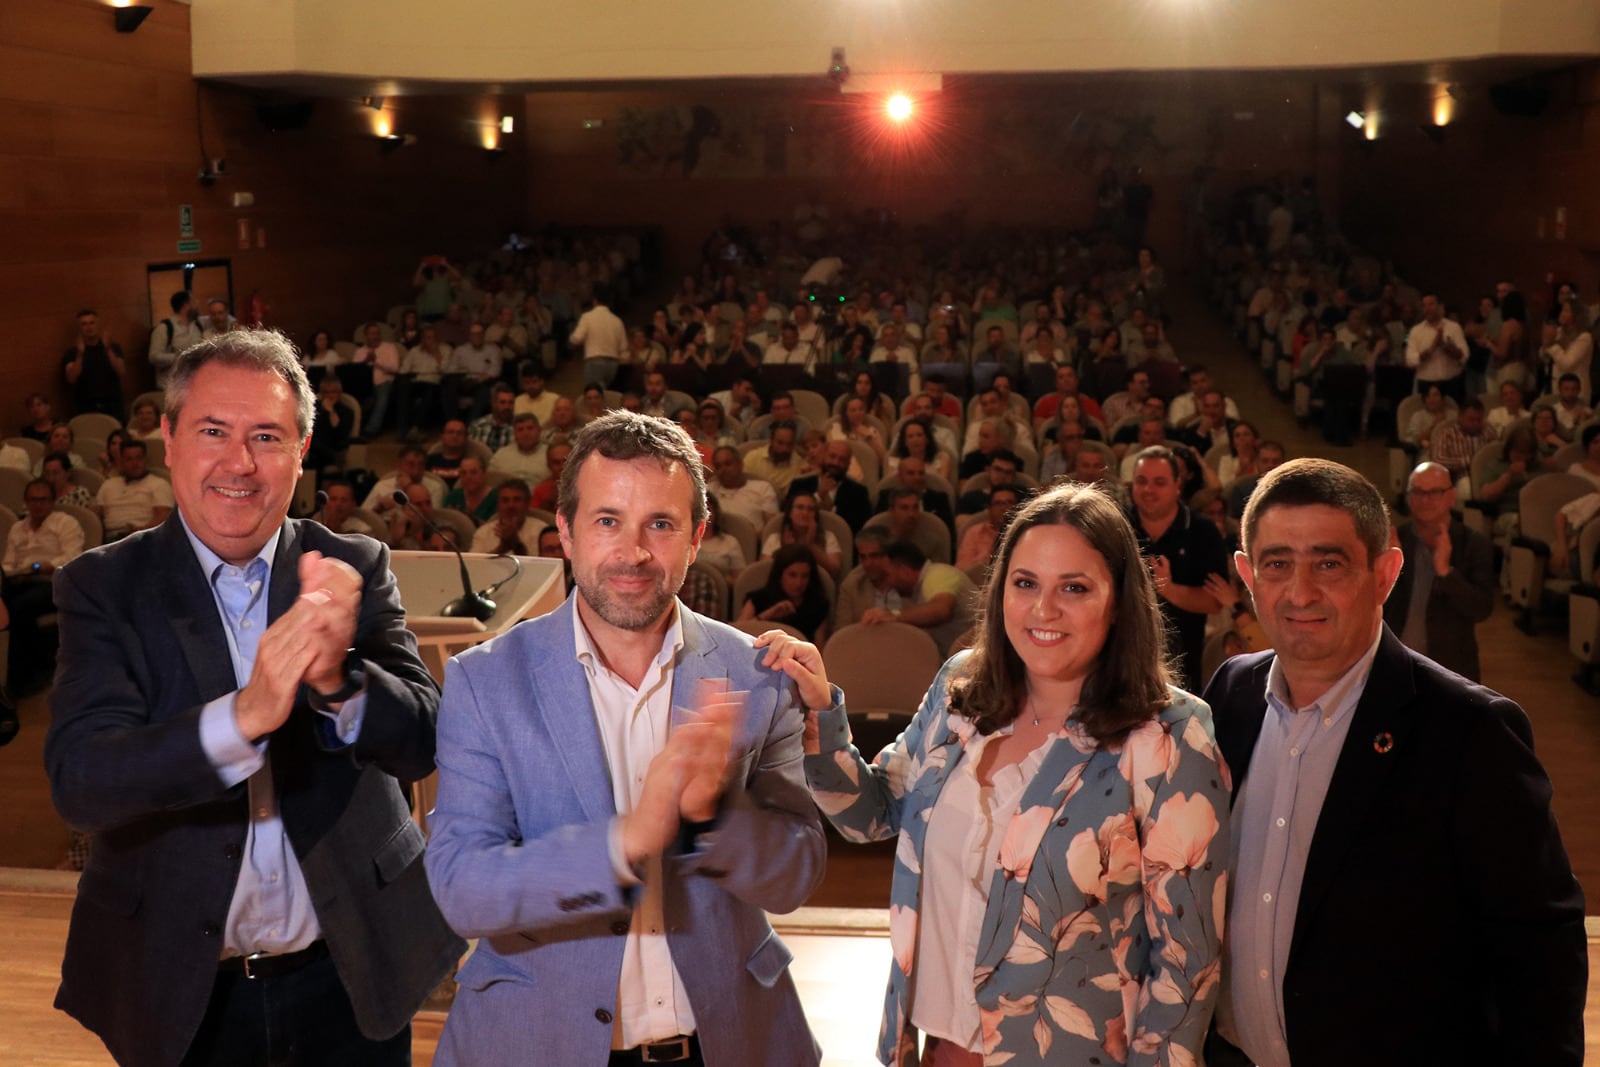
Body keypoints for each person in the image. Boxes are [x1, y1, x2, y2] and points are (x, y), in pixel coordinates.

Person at [44, 330, 462, 1067]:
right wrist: (243, 718)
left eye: (266, 436)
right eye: (213, 431)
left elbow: (424, 739)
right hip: (181, 989)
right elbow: (83, 780)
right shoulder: (103, 586)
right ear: (168, 438)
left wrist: (339, 680)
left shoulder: (349, 563)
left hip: (351, 972)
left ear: (301, 448)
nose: (239, 462)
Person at [424, 410, 827, 1067]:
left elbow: (795, 875)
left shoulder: (757, 675)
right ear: (565, 532)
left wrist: (714, 816)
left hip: (727, 1042)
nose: (635, 553)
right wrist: (625, 841)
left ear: (696, 536)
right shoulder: (485, 680)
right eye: (608, 520)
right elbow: (462, 887)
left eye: (660, 525)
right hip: (538, 1042)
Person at [800, 482, 1229, 1065]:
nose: (1043, 610)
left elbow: (1187, 966)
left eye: (1073, 588)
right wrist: (821, 712)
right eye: (1025, 583)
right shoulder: (963, 690)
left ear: (1120, 600)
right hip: (940, 1048)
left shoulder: (1170, 734)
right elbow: (870, 815)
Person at [1204, 458, 1585, 1067]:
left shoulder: (1471, 729)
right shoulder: (1229, 694)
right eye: (1277, 564)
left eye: (1329, 563)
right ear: (1247, 574)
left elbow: (1539, 946)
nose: (1300, 592)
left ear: (1385, 573)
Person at [1381, 462, 1495, 681]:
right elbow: (1374, 607)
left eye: (1435, 492)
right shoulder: (1394, 540)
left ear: (1451, 497)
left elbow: (1482, 609)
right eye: (1417, 492)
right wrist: (1389, 567)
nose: (1425, 499)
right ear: (1408, 496)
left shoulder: (1473, 543)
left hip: (1449, 669)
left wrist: (1446, 572)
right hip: (1395, 664)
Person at [1128, 446, 1227, 693]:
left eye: (1159, 482)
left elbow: (1215, 602)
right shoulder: (1117, 524)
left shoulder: (1203, 531)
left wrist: (1169, 589)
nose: (1148, 490)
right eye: (1141, 481)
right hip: (1122, 660)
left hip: (1181, 664)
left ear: (1177, 485)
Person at [738, 543, 832, 643]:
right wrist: (767, 615)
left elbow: (819, 648)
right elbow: (737, 634)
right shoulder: (757, 599)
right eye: (792, 575)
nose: (798, 583)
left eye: (804, 576)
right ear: (780, 575)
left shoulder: (818, 605)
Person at [63, 308, 127, 416]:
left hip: (112, 403)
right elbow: (71, 378)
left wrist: (108, 349)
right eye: (84, 324)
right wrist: (80, 354)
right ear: (80, 328)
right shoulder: (72, 352)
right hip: (86, 404)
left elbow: (121, 371)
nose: (89, 327)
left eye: (92, 323)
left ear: (98, 325)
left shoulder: (113, 347)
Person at [149, 290, 203, 389]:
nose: (198, 304)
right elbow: (153, 356)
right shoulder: (165, 328)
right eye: (194, 302)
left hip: (192, 386)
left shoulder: (197, 326)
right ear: (186, 306)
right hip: (170, 388)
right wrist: (179, 357)